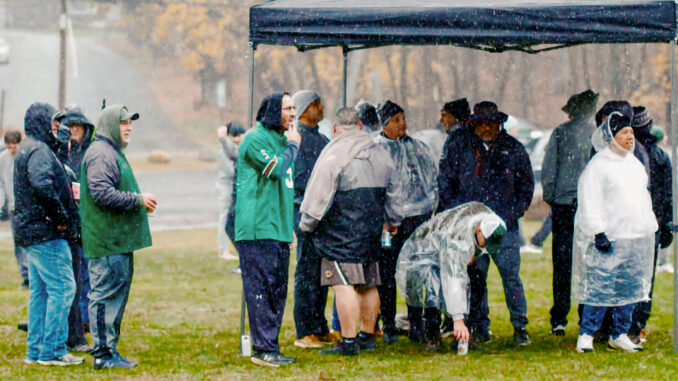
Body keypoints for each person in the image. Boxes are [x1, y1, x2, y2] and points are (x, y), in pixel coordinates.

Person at [299, 107, 402, 355]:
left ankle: (348, 342)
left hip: (341, 231)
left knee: (342, 284)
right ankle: (367, 336)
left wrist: (307, 225)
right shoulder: (380, 152)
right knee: (368, 283)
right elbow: (395, 191)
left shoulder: (334, 154)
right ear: (358, 126)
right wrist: (392, 221)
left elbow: (319, 195)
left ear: (336, 129)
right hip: (372, 230)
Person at [437, 101, 534, 345]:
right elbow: (446, 182)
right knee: (475, 279)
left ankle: (520, 326)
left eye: (492, 123)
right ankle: (481, 327)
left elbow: (526, 189)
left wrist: (510, 215)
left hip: (504, 228)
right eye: (483, 124)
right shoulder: (460, 147)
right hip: (470, 228)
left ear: (500, 124)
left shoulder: (514, 149)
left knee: (511, 277)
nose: (488, 128)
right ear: (474, 124)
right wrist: (460, 215)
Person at [573, 112, 657, 353]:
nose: (630, 137)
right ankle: (587, 334)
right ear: (611, 137)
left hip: (635, 237)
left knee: (629, 286)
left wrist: (648, 227)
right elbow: (590, 200)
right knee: (601, 285)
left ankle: (620, 333)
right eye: (624, 133)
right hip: (610, 238)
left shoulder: (634, 164)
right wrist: (598, 232)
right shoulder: (598, 166)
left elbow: (642, 199)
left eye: (631, 132)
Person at [80, 104, 155, 369]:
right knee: (104, 297)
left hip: (117, 242)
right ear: (111, 125)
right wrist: (137, 200)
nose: (129, 127)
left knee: (114, 297)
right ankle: (103, 355)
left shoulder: (111, 151)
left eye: (131, 123)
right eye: (123, 122)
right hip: (106, 242)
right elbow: (101, 193)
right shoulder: (101, 153)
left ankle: (110, 350)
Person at [234, 92, 300, 367]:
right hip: (256, 229)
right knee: (260, 289)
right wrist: (294, 147)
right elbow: (274, 168)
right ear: (273, 111)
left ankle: (270, 345)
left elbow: (284, 189)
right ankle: (263, 349)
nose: (293, 113)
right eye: (288, 108)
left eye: (294, 108)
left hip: (278, 229)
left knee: (276, 291)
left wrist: (289, 228)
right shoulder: (254, 138)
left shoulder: (283, 141)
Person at [14, 103, 81, 366]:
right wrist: (61, 216)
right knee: (64, 287)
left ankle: (37, 350)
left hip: (31, 232)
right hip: (44, 232)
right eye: (54, 123)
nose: (57, 128)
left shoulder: (31, 147)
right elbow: (41, 183)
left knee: (40, 291)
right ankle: (52, 351)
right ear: (42, 123)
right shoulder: (39, 150)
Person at [396, 202, 507, 352]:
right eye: (486, 242)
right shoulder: (458, 236)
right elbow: (454, 278)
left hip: (452, 249)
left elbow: (471, 252)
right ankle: (433, 337)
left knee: (477, 283)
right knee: (433, 289)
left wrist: (473, 251)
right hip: (428, 251)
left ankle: (465, 337)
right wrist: (457, 319)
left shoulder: (488, 219)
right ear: (479, 230)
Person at [373, 100, 438, 344]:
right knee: (386, 273)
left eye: (403, 118)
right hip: (387, 225)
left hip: (417, 221)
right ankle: (388, 323)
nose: (403, 123)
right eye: (397, 119)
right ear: (385, 124)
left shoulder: (418, 148)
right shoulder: (375, 149)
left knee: (417, 272)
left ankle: (416, 323)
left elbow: (432, 180)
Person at [540, 89, 599, 336]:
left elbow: (549, 169)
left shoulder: (561, 133)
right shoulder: (597, 134)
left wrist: (552, 197)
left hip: (565, 205)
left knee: (562, 262)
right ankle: (585, 313)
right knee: (590, 262)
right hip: (589, 205)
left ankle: (559, 316)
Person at [290, 90, 337, 349]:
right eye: (316, 104)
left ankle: (320, 327)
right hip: (306, 213)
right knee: (307, 273)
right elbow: (301, 179)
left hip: (323, 216)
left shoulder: (321, 138)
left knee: (322, 273)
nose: (321, 108)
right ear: (305, 109)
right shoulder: (298, 139)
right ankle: (304, 330)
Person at [627, 106, 673, 345]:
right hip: (646, 224)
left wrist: (665, 224)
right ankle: (636, 325)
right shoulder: (656, 155)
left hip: (638, 224)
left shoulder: (638, 154)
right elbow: (667, 195)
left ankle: (631, 325)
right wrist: (665, 223)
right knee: (644, 278)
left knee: (632, 276)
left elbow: (667, 194)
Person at [58, 105, 96, 353]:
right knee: (73, 273)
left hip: (87, 220)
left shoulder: (89, 152)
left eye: (78, 128)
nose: (74, 132)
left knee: (87, 273)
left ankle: (85, 317)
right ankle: (77, 320)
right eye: (70, 128)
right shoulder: (62, 153)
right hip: (69, 221)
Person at [0, 129, 28, 289]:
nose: (11, 150)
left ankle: (33, 274)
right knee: (18, 242)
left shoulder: (24, 156)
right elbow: (1, 183)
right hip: (12, 207)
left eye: (14, 147)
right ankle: (25, 276)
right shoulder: (3, 159)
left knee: (28, 242)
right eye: (8, 147)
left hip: (26, 207)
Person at [216, 122, 245, 260]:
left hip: (233, 185)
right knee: (225, 217)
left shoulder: (233, 148)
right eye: (234, 136)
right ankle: (223, 251)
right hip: (226, 185)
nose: (237, 139)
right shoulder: (224, 149)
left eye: (239, 135)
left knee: (230, 219)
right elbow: (229, 171)